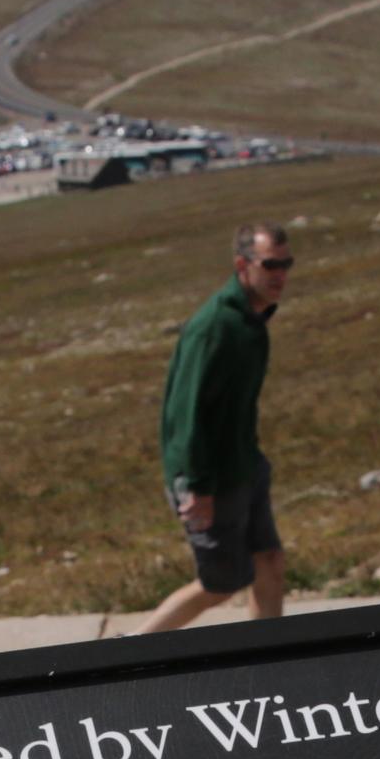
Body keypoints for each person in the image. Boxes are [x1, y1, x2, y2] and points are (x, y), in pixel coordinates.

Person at [140, 225, 291, 631]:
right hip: (212, 481)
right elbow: (187, 414)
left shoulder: (249, 320)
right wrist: (198, 487)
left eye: (286, 264)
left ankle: (271, 661)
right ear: (243, 265)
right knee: (221, 584)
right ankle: (128, 649)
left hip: (244, 466)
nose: (280, 274)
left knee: (269, 562)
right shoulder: (216, 327)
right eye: (271, 264)